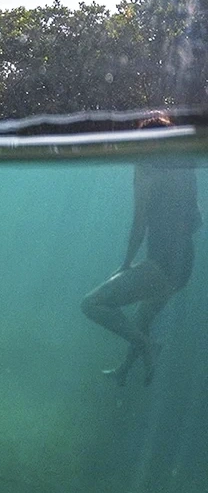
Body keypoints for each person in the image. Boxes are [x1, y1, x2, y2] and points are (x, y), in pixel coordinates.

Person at [81, 112, 201, 386]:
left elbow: (139, 222)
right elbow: (197, 220)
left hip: (161, 263)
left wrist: (126, 264)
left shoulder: (146, 167)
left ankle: (149, 346)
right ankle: (125, 370)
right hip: (184, 266)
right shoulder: (186, 166)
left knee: (91, 304)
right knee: (142, 317)